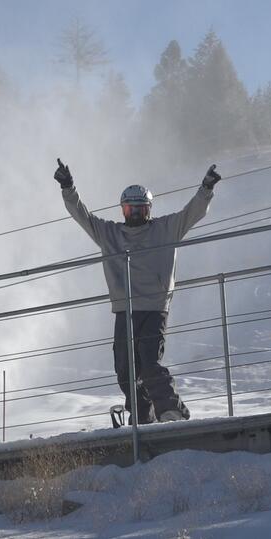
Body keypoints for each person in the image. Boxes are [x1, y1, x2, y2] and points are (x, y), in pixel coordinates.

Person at [55, 159, 222, 423]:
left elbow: (193, 212)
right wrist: (68, 187)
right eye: (130, 208)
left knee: (149, 361)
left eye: (140, 208)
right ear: (122, 210)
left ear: (148, 210)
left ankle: (173, 410)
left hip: (154, 307)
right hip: (125, 308)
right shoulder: (109, 233)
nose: (134, 213)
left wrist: (206, 188)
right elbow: (82, 216)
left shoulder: (166, 229)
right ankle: (144, 416)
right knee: (125, 370)